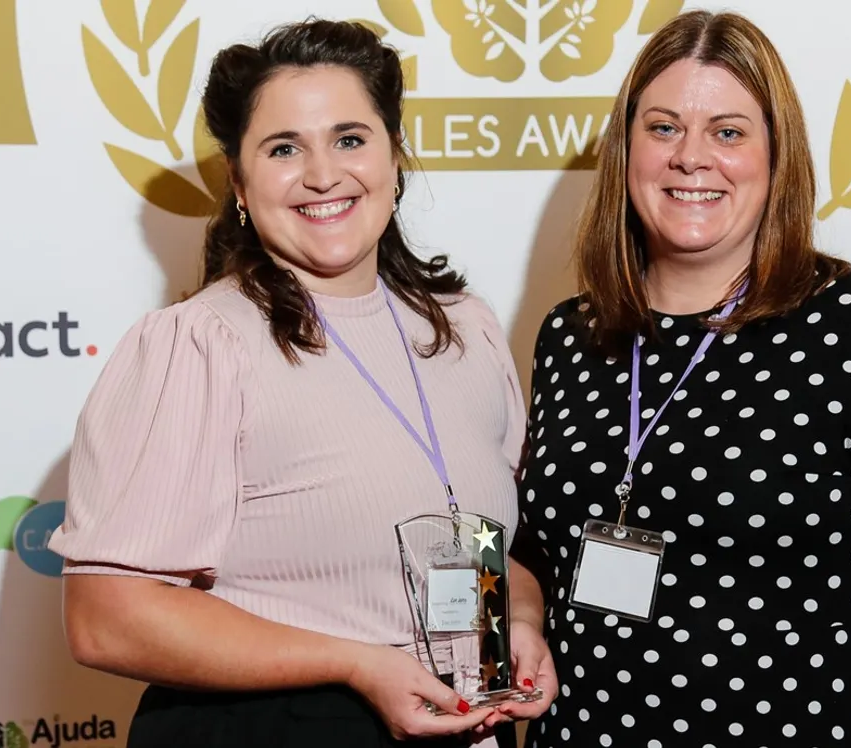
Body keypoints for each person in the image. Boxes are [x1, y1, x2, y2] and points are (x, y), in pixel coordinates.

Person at [46, 18, 556, 748]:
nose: (323, 174)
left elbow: (477, 541)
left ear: (393, 155)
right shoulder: (201, 344)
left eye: (350, 138)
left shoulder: (463, 329)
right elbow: (106, 617)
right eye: (284, 148)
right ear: (240, 183)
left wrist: (522, 623)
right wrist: (358, 664)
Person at [506, 10, 851, 747]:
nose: (690, 157)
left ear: (775, 155)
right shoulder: (573, 334)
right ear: (625, 149)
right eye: (663, 128)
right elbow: (541, 543)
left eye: (727, 132)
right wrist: (522, 619)